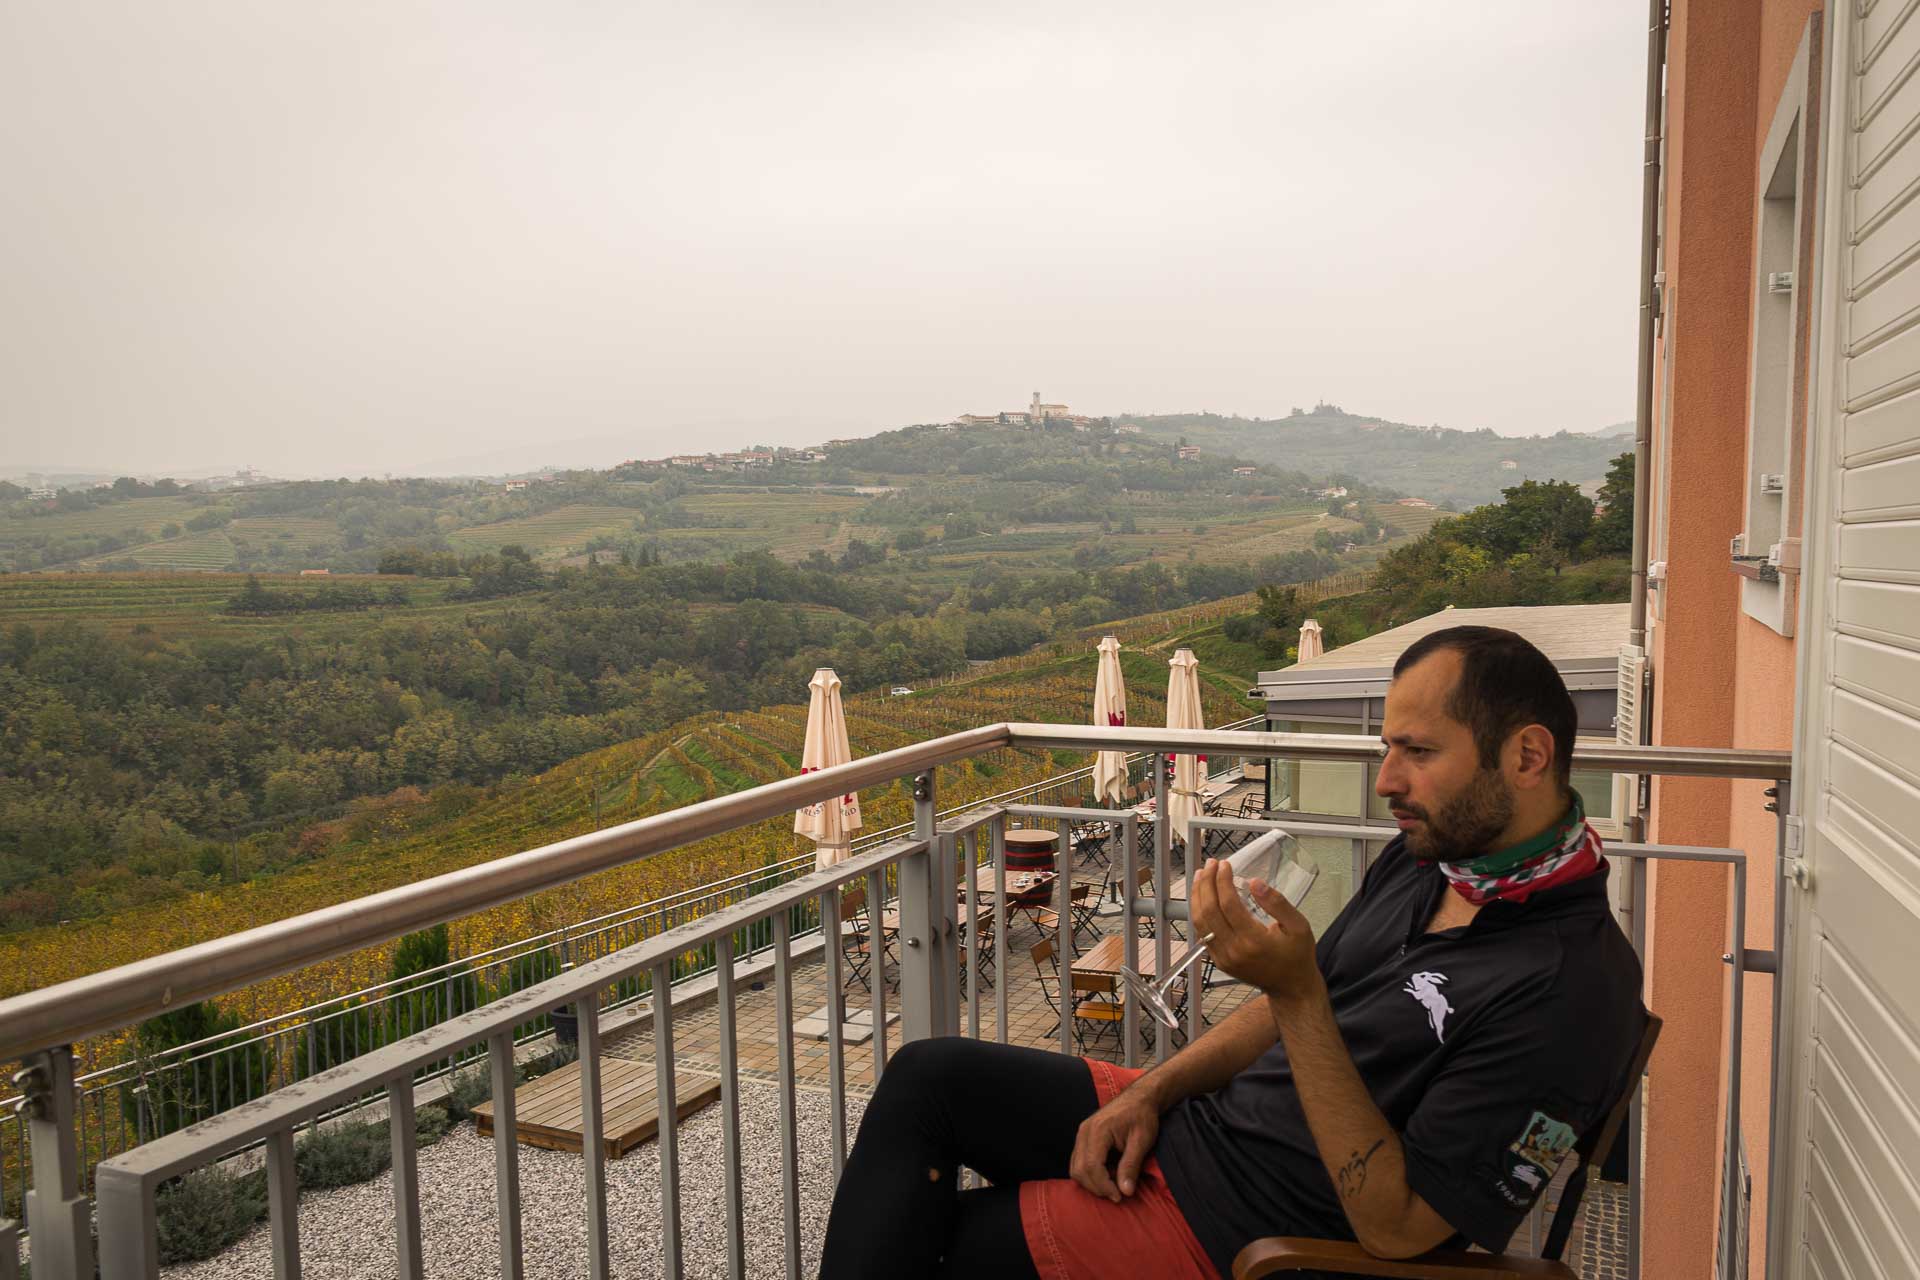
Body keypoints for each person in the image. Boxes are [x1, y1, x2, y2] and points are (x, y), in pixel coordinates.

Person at [818, 626, 1645, 1280]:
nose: (1387, 779)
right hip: (1204, 1127)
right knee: (927, 1077)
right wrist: (1150, 1091)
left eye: (1418, 752)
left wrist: (1296, 993)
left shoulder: (1570, 992)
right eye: (1388, 746)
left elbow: (1397, 1228)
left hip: (1240, 1230)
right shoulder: (1436, 859)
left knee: (923, 1249)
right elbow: (1293, 1007)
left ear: (1527, 756)